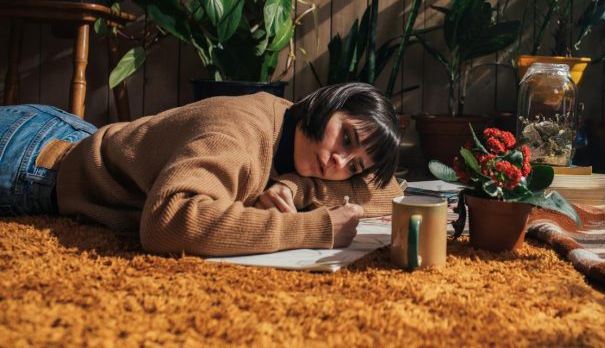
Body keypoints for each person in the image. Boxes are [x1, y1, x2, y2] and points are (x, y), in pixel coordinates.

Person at [0, 82, 404, 257]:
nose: (338, 163)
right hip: (32, 161)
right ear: (328, 102)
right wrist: (315, 229)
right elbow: (168, 221)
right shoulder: (238, 133)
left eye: (354, 167)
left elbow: (389, 192)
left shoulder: (295, 128)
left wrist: (296, 189)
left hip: (78, 135)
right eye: (346, 139)